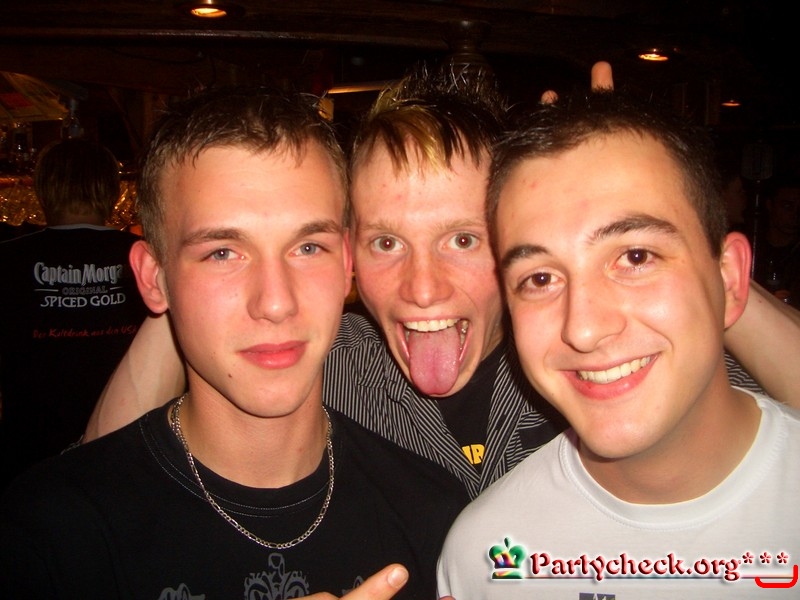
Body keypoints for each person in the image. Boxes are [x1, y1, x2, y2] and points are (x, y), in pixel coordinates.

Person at [84, 62, 800, 501]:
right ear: (347, 256)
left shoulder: (606, 361)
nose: (422, 288)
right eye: (386, 242)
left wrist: (655, 224)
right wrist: (185, 275)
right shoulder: (317, 364)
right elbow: (99, 491)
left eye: (464, 239)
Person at [0, 86, 469, 599]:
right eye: (223, 253)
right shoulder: (49, 535)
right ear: (155, 279)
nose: (275, 303)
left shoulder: (436, 513)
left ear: (347, 266)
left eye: (308, 247)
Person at [437, 90, 800, 598]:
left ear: (731, 280)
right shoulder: (486, 556)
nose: (583, 330)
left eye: (635, 257)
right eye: (539, 278)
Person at [0, 138, 148, 490]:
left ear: (42, 189)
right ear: (111, 190)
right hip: (127, 448)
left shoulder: (7, 260)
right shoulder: (146, 257)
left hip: (30, 451)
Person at [752, 176, 800, 306]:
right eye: (787, 206)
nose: (795, 215)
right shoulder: (752, 248)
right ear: (770, 205)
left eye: (799, 208)